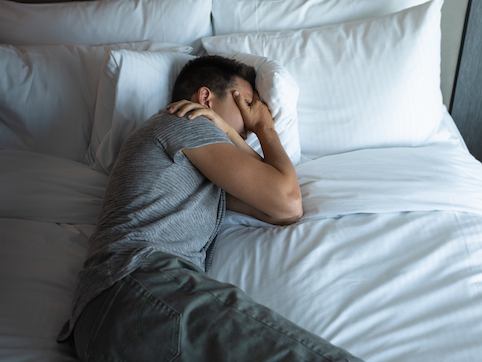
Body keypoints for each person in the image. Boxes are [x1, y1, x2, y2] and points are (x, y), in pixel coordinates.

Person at [57, 55, 362, 362]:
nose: (250, 120)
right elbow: (287, 198)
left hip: (107, 317)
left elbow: (282, 212)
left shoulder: (198, 169)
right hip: (139, 285)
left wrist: (231, 134)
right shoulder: (184, 121)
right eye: (245, 104)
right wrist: (265, 128)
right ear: (205, 98)